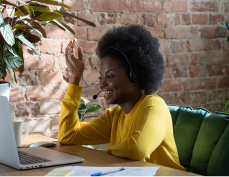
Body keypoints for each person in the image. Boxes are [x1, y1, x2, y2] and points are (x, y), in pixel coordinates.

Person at [58, 25, 185, 171]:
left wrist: (105, 152)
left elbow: (137, 149)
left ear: (134, 75)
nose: (102, 83)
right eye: (101, 77)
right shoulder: (115, 116)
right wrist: (75, 77)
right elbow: (68, 136)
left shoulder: (153, 106)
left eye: (110, 76)